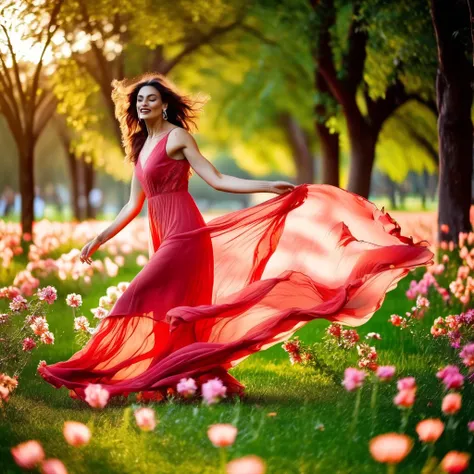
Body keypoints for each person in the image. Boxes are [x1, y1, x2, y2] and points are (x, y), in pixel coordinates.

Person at [38, 72, 434, 403]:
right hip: (162, 236)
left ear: (164, 104)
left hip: (185, 237)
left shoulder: (177, 138)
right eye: (139, 99)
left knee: (135, 296)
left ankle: (92, 370)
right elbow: (131, 205)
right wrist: (99, 240)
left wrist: (266, 185)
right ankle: (180, 380)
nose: (144, 104)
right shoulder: (141, 148)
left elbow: (217, 178)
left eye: (152, 98)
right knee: (171, 312)